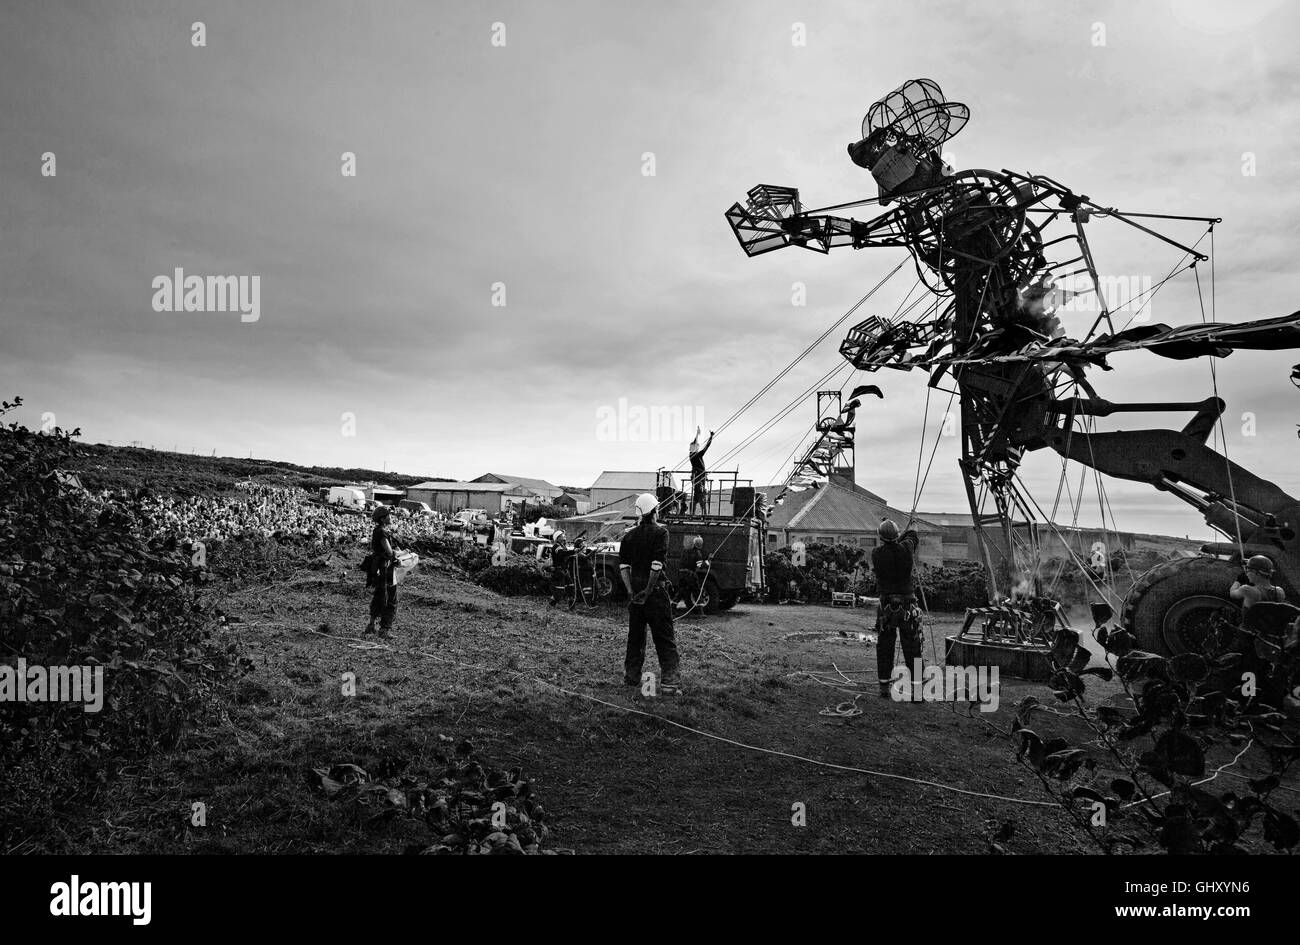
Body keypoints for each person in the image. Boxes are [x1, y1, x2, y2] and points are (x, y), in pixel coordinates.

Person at [619, 493, 680, 687]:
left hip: (635, 594)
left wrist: (631, 591)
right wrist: (647, 590)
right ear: (654, 511)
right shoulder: (661, 533)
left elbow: (624, 568)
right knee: (664, 638)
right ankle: (669, 682)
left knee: (635, 639)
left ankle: (631, 676)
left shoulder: (628, 536)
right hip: (654, 594)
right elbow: (656, 566)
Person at [871, 518, 922, 698]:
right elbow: (912, 536)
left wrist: (898, 536)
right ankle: (917, 691)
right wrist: (913, 524)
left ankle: (884, 687)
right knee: (912, 647)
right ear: (897, 534)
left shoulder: (877, 554)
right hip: (907, 605)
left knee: (885, 646)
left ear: (880, 537)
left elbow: (892, 546)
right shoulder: (906, 549)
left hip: (887, 607)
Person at [365, 505, 399, 635]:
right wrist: (398, 556)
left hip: (377, 567)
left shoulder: (376, 531)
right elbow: (389, 552)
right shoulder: (383, 532)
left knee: (379, 595)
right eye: (389, 515)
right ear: (383, 519)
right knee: (391, 598)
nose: (391, 517)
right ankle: (385, 629)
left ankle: (371, 625)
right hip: (386, 568)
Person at [677, 535, 709, 611]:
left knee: (680, 592)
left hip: (682, 574)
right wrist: (708, 561)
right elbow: (700, 566)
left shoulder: (685, 551)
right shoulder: (698, 553)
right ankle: (701, 612)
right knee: (697, 592)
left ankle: (673, 608)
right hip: (691, 575)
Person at [688, 428, 715, 516]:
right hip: (699, 476)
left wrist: (697, 434)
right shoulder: (697, 455)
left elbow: (694, 443)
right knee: (700, 494)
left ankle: (694, 513)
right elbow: (706, 446)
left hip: (697, 476)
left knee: (697, 494)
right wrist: (711, 437)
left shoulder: (691, 454)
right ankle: (704, 514)